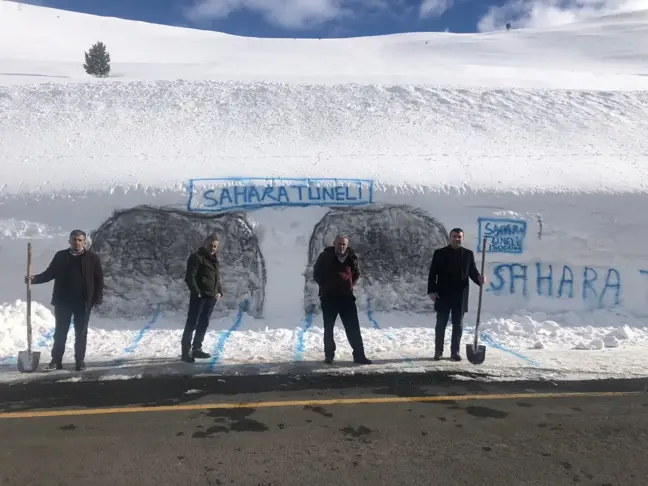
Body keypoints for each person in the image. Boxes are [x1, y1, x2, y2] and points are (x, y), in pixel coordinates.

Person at [25, 229, 104, 372]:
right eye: (74, 239)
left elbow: (99, 281)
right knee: (60, 332)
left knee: (81, 333)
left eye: (80, 240)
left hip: (83, 302)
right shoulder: (61, 256)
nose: (77, 242)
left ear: (84, 242)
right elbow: (50, 273)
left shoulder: (92, 259)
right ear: (69, 241)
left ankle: (80, 362)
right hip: (63, 301)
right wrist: (34, 279)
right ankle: (56, 361)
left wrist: (97, 299)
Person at [427, 228, 486, 361]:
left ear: (462, 238)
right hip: (442, 294)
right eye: (454, 236)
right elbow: (432, 274)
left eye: (459, 237)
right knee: (441, 323)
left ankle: (455, 352)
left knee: (458, 325)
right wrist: (431, 291)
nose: (457, 239)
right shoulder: (439, 253)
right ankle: (438, 351)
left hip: (460, 296)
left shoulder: (467, 254)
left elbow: (472, 271)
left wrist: (479, 279)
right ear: (450, 237)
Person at [312, 234, 371, 365]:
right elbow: (316, 273)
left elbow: (356, 273)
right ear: (334, 243)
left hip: (346, 299)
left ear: (347, 245)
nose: (342, 246)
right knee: (329, 328)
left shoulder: (351, 257)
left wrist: (349, 284)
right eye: (339, 243)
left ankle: (359, 355)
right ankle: (329, 356)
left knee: (353, 328)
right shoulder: (325, 256)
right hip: (329, 298)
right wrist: (326, 286)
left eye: (344, 244)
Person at [182, 234, 223, 363]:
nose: (213, 248)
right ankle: (185, 352)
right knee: (192, 324)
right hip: (199, 298)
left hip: (211, 298)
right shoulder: (196, 257)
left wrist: (219, 291)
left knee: (203, 324)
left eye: (215, 246)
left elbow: (216, 278)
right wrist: (197, 292)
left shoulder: (214, 259)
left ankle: (197, 349)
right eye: (211, 245)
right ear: (205, 244)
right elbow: (190, 277)